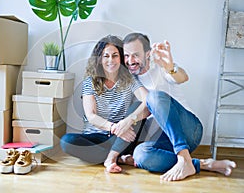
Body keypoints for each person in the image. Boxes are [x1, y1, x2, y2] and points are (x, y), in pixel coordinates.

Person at [120, 32, 236, 181]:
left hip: (189, 130)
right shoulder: (131, 82)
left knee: (154, 96)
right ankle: (201, 164)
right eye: (127, 55)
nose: (130, 61)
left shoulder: (161, 66)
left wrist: (170, 66)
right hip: (166, 138)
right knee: (141, 154)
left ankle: (183, 157)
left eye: (135, 55)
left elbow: (182, 77)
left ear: (147, 54)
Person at [60, 35, 150, 172]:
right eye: (105, 56)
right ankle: (118, 157)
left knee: (138, 106)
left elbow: (149, 100)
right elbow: (91, 116)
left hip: (122, 138)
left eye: (115, 55)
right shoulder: (90, 82)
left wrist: (125, 123)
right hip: (96, 138)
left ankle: (112, 156)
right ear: (99, 59)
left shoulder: (129, 79)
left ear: (121, 58)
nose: (110, 60)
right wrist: (115, 127)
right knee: (66, 141)